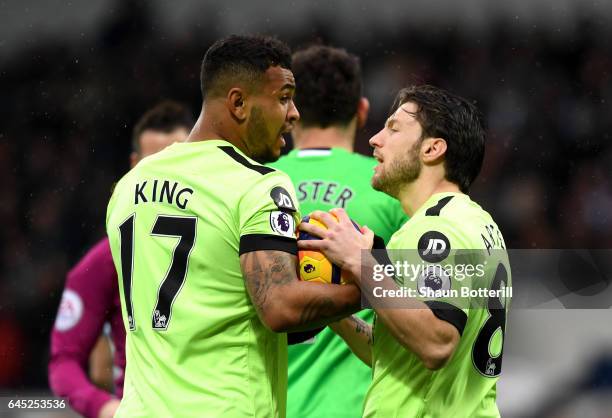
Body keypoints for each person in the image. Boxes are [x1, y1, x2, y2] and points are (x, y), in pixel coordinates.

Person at [105, 35, 362, 418]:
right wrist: (372, 281)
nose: (293, 113)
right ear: (238, 103)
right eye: (283, 98)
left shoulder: (128, 187)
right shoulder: (258, 184)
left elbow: (210, 300)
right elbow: (280, 309)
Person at [299, 85, 511, 417]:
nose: (375, 139)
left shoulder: (438, 229)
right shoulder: (478, 224)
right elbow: (396, 353)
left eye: (394, 128)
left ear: (432, 149)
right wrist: (333, 308)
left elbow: (436, 343)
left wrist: (361, 262)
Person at [267, 45, 407, 418]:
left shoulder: (252, 185)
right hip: (356, 404)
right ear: (362, 112)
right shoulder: (392, 190)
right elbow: (427, 306)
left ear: (292, 114)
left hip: (266, 403)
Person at [49, 101, 194, 418]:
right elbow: (64, 361)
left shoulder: (227, 237)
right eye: (155, 164)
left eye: (178, 163)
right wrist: (104, 407)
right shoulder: (105, 259)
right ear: (134, 165)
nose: (167, 177)